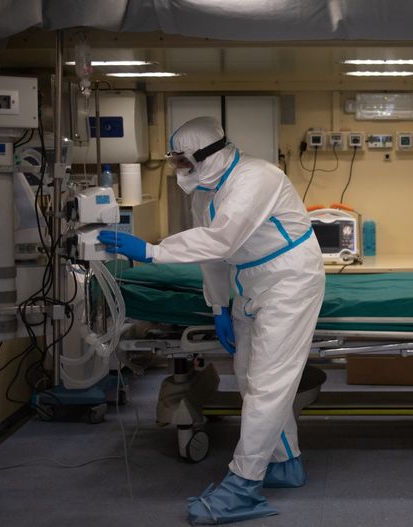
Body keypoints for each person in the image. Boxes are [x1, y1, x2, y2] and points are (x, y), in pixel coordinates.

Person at [98, 117, 325, 525]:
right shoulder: (205, 192)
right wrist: (219, 306)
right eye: (177, 164)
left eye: (184, 163)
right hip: (249, 282)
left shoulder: (257, 177)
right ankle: (286, 462)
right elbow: (213, 253)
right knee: (250, 377)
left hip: (289, 279)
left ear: (208, 155)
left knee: (269, 385)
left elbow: (223, 238)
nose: (179, 172)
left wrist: (151, 251)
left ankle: (243, 485)